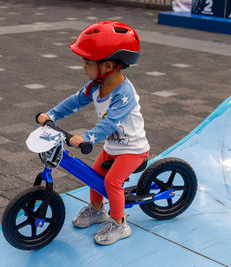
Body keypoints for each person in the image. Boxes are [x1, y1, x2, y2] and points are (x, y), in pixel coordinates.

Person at [36, 21, 150, 245]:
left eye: (87, 63)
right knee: (94, 176)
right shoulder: (96, 86)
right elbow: (74, 102)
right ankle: (98, 211)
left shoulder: (124, 93)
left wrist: (87, 137)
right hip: (113, 147)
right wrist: (51, 115)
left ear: (107, 66)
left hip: (133, 150)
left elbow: (110, 123)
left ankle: (120, 225)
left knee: (112, 183)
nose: (83, 68)